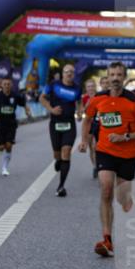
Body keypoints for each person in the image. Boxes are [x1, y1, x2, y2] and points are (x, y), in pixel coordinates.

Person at [78, 62, 135, 256]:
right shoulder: (97, 99)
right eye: (112, 75)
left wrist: (126, 137)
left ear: (124, 77)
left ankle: (126, 199)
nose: (116, 78)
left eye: (119, 75)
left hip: (128, 154)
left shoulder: (134, 100)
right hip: (105, 151)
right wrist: (84, 140)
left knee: (122, 200)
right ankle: (107, 239)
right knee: (106, 189)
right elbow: (87, 119)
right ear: (108, 78)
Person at [39, 64, 79, 196]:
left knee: (66, 152)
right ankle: (58, 160)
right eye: (67, 71)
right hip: (55, 124)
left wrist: (80, 111)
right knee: (57, 153)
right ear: (63, 73)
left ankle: (61, 186)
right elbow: (42, 98)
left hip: (69, 124)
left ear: (74, 74)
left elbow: (79, 103)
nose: (69, 74)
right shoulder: (53, 84)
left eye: (71, 72)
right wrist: (51, 109)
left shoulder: (77, 88)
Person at [0, 77, 30, 176]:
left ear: (11, 85)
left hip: (11, 124)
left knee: (8, 146)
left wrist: (27, 111)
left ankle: (5, 168)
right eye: (5, 84)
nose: (7, 86)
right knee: (1, 147)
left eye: (9, 84)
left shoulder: (15, 96)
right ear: (1, 85)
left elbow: (24, 104)